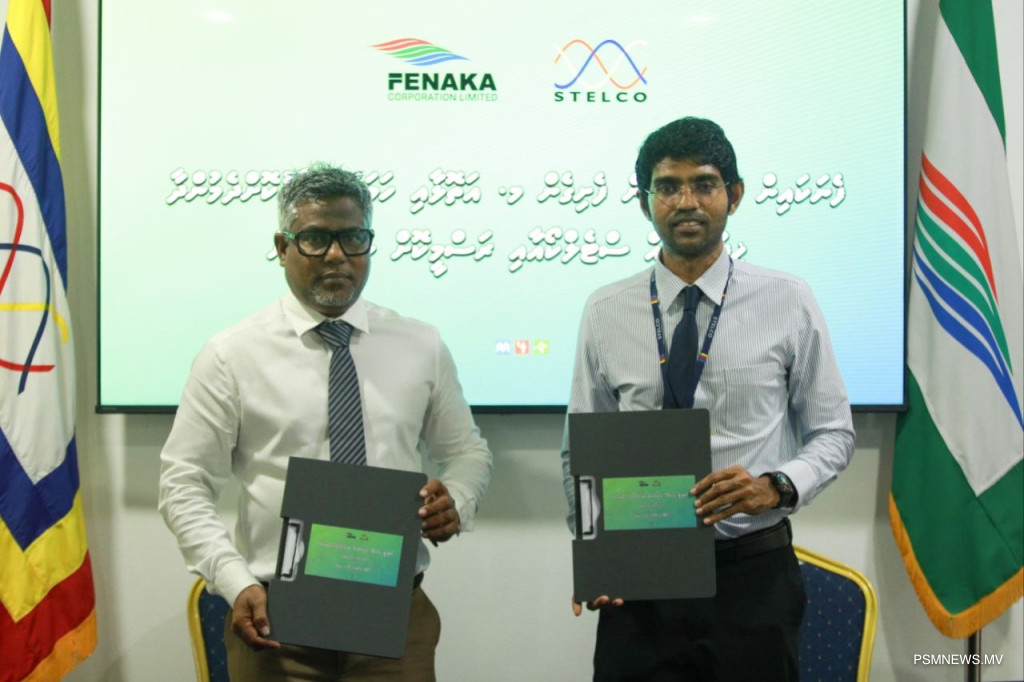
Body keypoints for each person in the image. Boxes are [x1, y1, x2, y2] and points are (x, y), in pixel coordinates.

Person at [159, 163, 492, 681]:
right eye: (316, 238)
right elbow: (183, 482)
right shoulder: (231, 355)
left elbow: (467, 451)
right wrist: (233, 579)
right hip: (275, 621)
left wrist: (458, 499)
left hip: (395, 620)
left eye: (353, 238)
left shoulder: (420, 344)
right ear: (282, 247)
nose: (337, 255)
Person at [561, 117, 855, 681]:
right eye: (668, 187)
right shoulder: (605, 310)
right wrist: (595, 554)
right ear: (644, 202)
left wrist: (775, 485)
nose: (687, 201)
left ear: (734, 195)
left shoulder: (788, 300)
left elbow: (834, 432)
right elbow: (582, 449)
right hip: (639, 582)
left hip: (752, 576)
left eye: (704, 184)